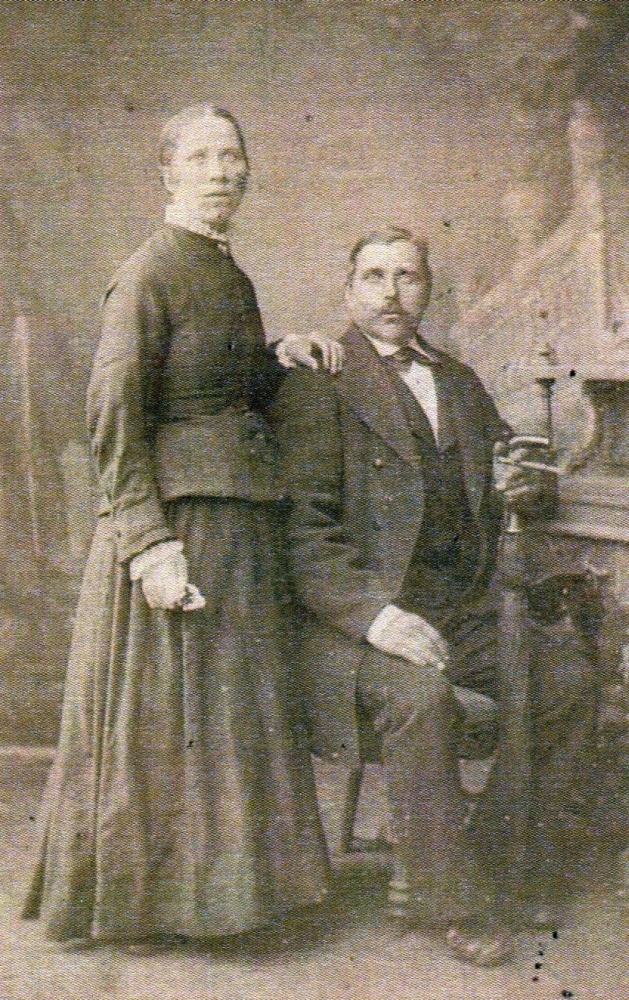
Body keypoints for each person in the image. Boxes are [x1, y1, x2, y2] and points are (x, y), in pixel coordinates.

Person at [23, 103, 338, 951]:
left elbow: (220, 394)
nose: (221, 171)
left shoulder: (227, 272)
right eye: (199, 157)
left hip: (240, 522)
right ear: (166, 172)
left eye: (231, 155)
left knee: (228, 715)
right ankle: (158, 904)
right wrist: (146, 543)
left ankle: (229, 899)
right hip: (182, 525)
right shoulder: (149, 271)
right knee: (174, 718)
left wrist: (280, 357)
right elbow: (113, 412)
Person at [273, 226, 598, 966]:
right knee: (421, 700)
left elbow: (515, 464)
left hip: (453, 608)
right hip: (347, 623)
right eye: (374, 277)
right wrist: (378, 618)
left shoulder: (455, 379)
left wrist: (525, 478)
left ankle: (487, 859)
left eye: (408, 277)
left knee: (567, 683)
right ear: (347, 290)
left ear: (428, 290)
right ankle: (449, 900)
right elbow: (302, 536)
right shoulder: (316, 381)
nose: (391, 294)